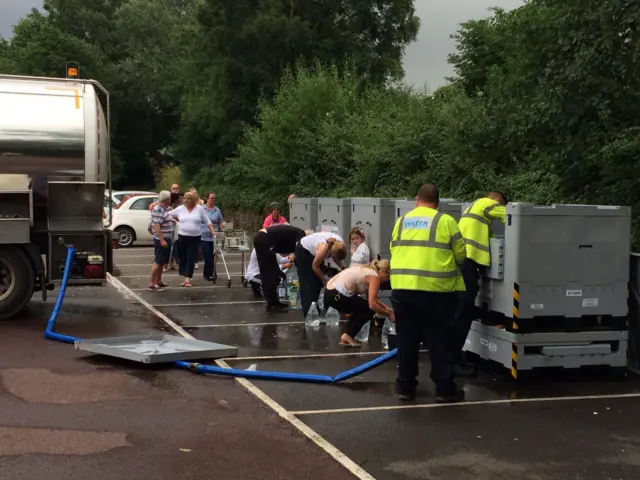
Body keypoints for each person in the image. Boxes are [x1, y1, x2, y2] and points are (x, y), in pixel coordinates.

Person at [390, 183, 467, 403]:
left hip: (403, 289)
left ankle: (405, 388)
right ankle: (444, 389)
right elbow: (461, 255)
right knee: (439, 340)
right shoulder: (445, 221)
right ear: (438, 202)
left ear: (416, 200)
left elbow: (394, 249)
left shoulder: (402, 221)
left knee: (406, 340)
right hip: (436, 291)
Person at [454, 191, 508, 376]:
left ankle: (454, 361)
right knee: (463, 314)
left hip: (463, 264)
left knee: (460, 313)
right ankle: (454, 363)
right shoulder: (485, 203)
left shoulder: (474, 212)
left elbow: (490, 235)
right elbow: (510, 215)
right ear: (497, 200)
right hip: (468, 264)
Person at [324, 259, 394, 347]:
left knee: (362, 307)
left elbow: (372, 299)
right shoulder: (374, 276)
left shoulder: (367, 270)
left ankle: (348, 335)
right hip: (337, 295)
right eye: (387, 276)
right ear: (383, 271)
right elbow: (372, 305)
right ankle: (348, 335)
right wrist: (389, 314)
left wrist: (385, 308)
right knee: (368, 309)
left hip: (329, 293)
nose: (387, 280)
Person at [253, 225, 307, 312]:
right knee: (269, 273)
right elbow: (299, 253)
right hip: (263, 239)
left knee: (274, 272)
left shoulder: (296, 235)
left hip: (264, 239)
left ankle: (274, 302)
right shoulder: (301, 235)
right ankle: (272, 305)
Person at [295, 231, 347, 317]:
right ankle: (309, 314)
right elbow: (315, 266)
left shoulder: (339, 243)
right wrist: (325, 280)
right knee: (309, 283)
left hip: (317, 251)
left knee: (317, 283)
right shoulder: (323, 249)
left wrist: (342, 267)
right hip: (303, 251)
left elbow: (336, 256)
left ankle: (315, 309)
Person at [170, 192, 216, 287]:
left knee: (191, 257)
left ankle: (187, 278)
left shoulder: (199, 209)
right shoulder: (180, 209)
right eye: (185, 199)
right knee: (183, 257)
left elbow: (207, 221)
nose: (186, 201)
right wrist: (175, 220)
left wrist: (213, 231)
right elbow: (168, 215)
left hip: (195, 237)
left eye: (189, 199)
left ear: (194, 200)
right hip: (182, 236)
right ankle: (185, 277)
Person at [149, 190, 174, 291]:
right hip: (162, 239)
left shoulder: (164, 209)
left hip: (166, 237)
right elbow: (157, 226)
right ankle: (152, 282)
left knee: (162, 261)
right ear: (167, 199)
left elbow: (162, 220)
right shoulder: (159, 209)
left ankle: (159, 280)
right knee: (158, 261)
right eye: (170, 198)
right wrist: (162, 239)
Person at [201, 192, 225, 281]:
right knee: (207, 256)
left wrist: (223, 225)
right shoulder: (201, 209)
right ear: (206, 199)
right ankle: (208, 274)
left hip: (215, 236)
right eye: (211, 198)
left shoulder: (217, 210)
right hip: (204, 235)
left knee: (214, 256)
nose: (213, 200)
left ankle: (212, 272)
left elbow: (221, 221)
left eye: (214, 198)